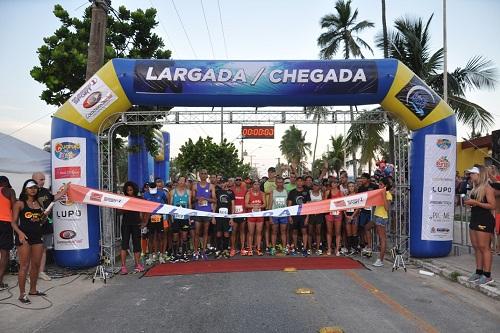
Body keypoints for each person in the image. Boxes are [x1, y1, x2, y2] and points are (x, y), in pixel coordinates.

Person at [11, 180, 52, 304]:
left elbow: (40, 221)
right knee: (24, 266)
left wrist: (46, 215)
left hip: (37, 236)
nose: (33, 189)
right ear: (25, 189)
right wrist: (20, 233)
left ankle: (33, 290)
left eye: (35, 187)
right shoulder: (20, 203)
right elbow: (13, 222)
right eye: (30, 188)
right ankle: (22, 294)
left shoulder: (39, 203)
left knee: (36, 265)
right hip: (24, 237)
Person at [31, 172, 68, 282]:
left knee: (44, 249)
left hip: (47, 224)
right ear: (34, 179)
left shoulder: (45, 191)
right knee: (33, 250)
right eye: (40, 179)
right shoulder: (29, 191)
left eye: (44, 179)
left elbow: (55, 197)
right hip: (34, 225)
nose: (43, 181)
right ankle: (31, 273)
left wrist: (65, 189)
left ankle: (41, 272)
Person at [464, 166, 496, 285]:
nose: (470, 176)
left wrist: (476, 203)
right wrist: (471, 204)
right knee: (476, 247)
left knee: (484, 247)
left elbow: (493, 206)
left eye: (472, 174)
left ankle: (487, 275)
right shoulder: (475, 188)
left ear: (479, 175)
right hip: (475, 218)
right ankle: (479, 271)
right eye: (470, 174)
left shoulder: (487, 188)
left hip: (484, 219)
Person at [119, 181, 145, 274]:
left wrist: (144, 222)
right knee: (124, 245)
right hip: (126, 224)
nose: (129, 191)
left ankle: (137, 264)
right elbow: (119, 211)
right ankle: (123, 266)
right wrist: (125, 205)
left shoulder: (139, 198)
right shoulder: (123, 199)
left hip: (136, 224)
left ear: (134, 189)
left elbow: (147, 209)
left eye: (131, 190)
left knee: (137, 245)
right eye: (127, 190)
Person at [192, 169, 216, 260]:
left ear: (207, 176)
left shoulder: (211, 186)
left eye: (205, 174)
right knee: (197, 232)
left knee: (206, 232)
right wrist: (198, 198)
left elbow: (214, 200)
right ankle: (195, 251)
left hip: (207, 211)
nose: (203, 175)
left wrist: (206, 199)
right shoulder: (195, 186)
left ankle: (204, 251)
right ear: (199, 175)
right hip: (198, 212)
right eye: (201, 173)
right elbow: (192, 200)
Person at [143, 182, 167, 264]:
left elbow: (166, 204)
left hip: (159, 218)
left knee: (160, 237)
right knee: (150, 238)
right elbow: (144, 208)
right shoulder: (145, 195)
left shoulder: (161, 193)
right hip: (150, 219)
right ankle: (150, 256)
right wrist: (144, 221)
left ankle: (161, 256)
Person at [169, 176, 191, 262]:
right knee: (175, 236)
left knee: (184, 236)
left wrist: (189, 217)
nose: (182, 182)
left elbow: (189, 205)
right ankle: (174, 255)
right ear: (177, 181)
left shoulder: (188, 192)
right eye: (180, 180)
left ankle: (183, 254)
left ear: (185, 182)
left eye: (183, 180)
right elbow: (170, 206)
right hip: (175, 218)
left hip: (185, 218)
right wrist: (171, 218)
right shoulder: (172, 192)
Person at [287, 176, 311, 256]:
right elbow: (289, 205)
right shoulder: (292, 192)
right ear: (296, 182)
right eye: (298, 181)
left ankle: (304, 248)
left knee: (304, 231)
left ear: (303, 183)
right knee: (294, 231)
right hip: (294, 215)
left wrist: (307, 217)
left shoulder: (306, 192)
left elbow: (308, 205)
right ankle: (295, 247)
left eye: (301, 181)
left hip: (303, 215)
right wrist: (289, 216)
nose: (300, 183)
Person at [372, 178, 392, 267]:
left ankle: (380, 259)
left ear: (385, 185)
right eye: (379, 184)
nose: (379, 186)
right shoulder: (380, 193)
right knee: (368, 228)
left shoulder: (388, 194)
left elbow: (387, 208)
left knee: (382, 238)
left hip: (382, 217)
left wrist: (383, 195)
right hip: (377, 216)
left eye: (380, 184)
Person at [0, 176, 16, 290]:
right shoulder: (9, 191)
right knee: (4, 253)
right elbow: (14, 206)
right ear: (6, 182)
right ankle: (0, 281)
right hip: (5, 223)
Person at [357, 173, 378, 257]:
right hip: (363, 211)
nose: (362, 180)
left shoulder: (374, 186)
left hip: (372, 211)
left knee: (371, 228)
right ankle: (366, 245)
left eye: (363, 178)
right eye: (361, 178)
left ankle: (373, 245)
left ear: (368, 179)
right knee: (363, 228)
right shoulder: (360, 188)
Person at [244, 180, 266, 256]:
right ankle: (250, 249)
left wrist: (258, 206)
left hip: (259, 215)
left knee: (259, 232)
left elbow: (264, 204)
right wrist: (254, 206)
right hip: (251, 216)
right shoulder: (248, 193)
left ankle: (258, 248)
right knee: (251, 233)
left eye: (258, 184)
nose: (257, 186)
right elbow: (246, 205)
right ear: (252, 185)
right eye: (255, 184)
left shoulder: (262, 193)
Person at [214, 178, 234, 259]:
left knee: (226, 233)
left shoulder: (230, 192)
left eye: (224, 182)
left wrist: (231, 218)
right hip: (218, 216)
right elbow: (215, 204)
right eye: (220, 183)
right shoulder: (217, 192)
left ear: (227, 183)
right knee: (218, 233)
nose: (222, 184)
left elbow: (233, 205)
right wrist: (213, 216)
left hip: (227, 216)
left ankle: (225, 249)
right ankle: (219, 249)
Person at [269, 176, 288, 255]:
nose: (280, 184)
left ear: (283, 183)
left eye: (281, 182)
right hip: (275, 215)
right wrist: (270, 217)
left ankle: (284, 248)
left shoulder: (286, 191)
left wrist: (288, 215)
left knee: (283, 232)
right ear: (276, 183)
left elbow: (288, 205)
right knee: (274, 232)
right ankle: (273, 248)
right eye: (278, 182)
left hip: (284, 214)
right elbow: (270, 205)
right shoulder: (272, 192)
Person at [324, 179, 343, 256]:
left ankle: (337, 249)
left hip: (338, 213)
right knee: (329, 231)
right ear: (331, 184)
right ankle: (329, 248)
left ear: (338, 184)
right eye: (333, 182)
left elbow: (343, 203)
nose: (334, 184)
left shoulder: (341, 192)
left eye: (336, 183)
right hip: (329, 213)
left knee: (338, 232)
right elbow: (325, 203)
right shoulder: (328, 192)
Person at [230, 176, 247, 257]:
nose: (238, 181)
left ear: (241, 181)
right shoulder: (231, 190)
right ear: (234, 181)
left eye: (240, 180)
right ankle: (233, 249)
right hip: (234, 214)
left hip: (242, 213)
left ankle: (242, 248)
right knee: (234, 231)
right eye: (236, 179)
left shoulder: (245, 190)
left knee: (242, 231)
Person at [263, 167, 277, 253]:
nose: (270, 174)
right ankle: (268, 244)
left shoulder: (278, 182)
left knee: (275, 228)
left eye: (272, 172)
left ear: (275, 173)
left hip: (277, 208)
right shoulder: (265, 183)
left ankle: (274, 244)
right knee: (267, 227)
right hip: (267, 207)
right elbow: (264, 193)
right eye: (269, 173)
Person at [308, 180, 324, 255]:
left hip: (319, 215)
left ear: (319, 186)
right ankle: (310, 248)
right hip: (311, 214)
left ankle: (318, 248)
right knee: (310, 232)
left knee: (318, 232)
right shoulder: (309, 193)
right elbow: (307, 203)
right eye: (314, 185)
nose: (315, 186)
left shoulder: (322, 193)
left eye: (317, 185)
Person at [344, 182, 360, 255]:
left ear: (354, 187)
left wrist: (352, 216)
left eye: (352, 186)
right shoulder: (346, 196)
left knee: (354, 233)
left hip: (354, 215)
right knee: (348, 233)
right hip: (347, 215)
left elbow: (358, 207)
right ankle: (349, 249)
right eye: (349, 186)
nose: (351, 188)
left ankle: (355, 248)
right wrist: (346, 215)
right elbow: (343, 206)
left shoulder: (357, 196)